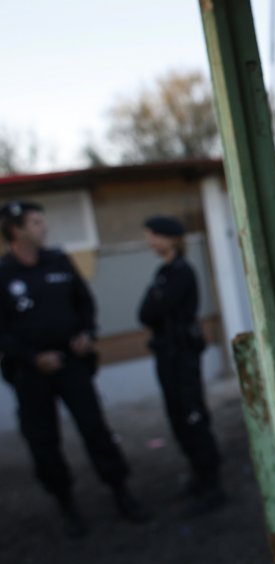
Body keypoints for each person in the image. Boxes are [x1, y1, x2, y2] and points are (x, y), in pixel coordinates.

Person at [0, 201, 150, 539]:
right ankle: (66, 504)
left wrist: (87, 333)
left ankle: (121, 493)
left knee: (95, 428)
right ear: (16, 230)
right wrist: (31, 357)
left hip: (71, 366)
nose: (44, 227)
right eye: (36, 222)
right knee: (43, 441)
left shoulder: (58, 260)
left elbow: (84, 303)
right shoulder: (3, 273)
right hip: (31, 373)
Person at [138, 215, 224, 516]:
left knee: (192, 416)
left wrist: (155, 303)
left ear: (171, 238)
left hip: (182, 355)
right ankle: (198, 477)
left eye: (153, 236)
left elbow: (154, 309)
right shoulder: (164, 272)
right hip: (167, 354)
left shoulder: (181, 272)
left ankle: (213, 484)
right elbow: (145, 312)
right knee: (178, 417)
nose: (150, 242)